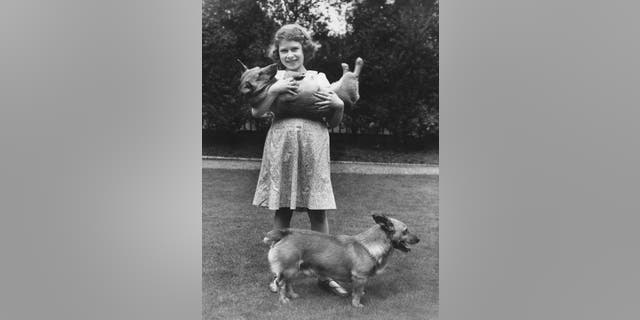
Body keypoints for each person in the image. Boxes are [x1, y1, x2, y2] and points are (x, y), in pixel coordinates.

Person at [250, 24, 347, 297]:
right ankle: (279, 275)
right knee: (282, 208)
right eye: (284, 50)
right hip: (282, 143)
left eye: (295, 49)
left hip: (315, 143)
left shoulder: (320, 78)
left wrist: (338, 106)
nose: (290, 55)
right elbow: (257, 112)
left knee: (318, 209)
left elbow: (333, 120)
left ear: (305, 50)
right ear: (277, 53)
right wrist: (274, 90)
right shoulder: (271, 78)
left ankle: (324, 275)